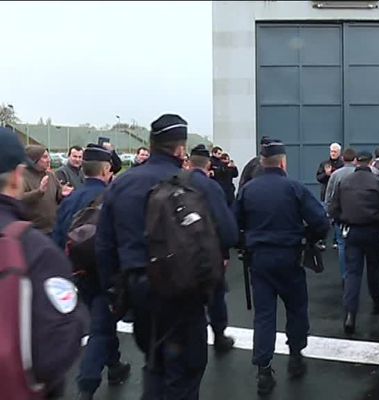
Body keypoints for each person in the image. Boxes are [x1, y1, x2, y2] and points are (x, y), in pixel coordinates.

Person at [96, 114, 238, 399]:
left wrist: (115, 292)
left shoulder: (122, 184)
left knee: (154, 364)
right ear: (180, 149)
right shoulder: (198, 185)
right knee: (184, 374)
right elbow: (230, 234)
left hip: (140, 290)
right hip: (184, 292)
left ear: (151, 144)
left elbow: (104, 245)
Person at [235, 138, 330, 395]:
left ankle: (264, 370)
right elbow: (321, 221)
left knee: (264, 315)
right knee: (296, 308)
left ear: (262, 162)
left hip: (260, 261)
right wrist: (308, 238)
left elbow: (235, 227)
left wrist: (247, 242)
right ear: (283, 162)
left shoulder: (248, 190)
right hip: (290, 258)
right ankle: (296, 355)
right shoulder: (294, 188)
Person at [0, 127, 87, 398]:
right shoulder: (32, 252)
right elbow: (57, 345)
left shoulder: (52, 178)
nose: (48, 161)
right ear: (16, 176)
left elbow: (59, 198)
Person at [53, 144, 130, 400]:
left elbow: (57, 239)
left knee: (101, 321)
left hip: (78, 274)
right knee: (101, 327)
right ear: (107, 169)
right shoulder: (113, 198)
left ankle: (115, 364)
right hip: (106, 274)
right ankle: (87, 384)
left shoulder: (70, 200)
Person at [329, 150, 379, 334]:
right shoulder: (378, 183)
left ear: (356, 163)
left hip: (352, 231)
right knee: (373, 268)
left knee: (353, 273)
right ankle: (377, 301)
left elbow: (333, 207)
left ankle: (350, 315)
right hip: (373, 231)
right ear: (370, 164)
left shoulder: (344, 182)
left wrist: (342, 221)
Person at [188, 144, 238, 351]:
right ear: (208, 164)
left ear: (189, 162)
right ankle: (219, 335)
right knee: (216, 295)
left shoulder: (175, 183)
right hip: (209, 251)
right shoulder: (211, 187)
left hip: (180, 251)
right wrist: (226, 250)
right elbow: (224, 224)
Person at [22, 145, 73, 235]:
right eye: (45, 157)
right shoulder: (22, 177)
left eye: (48, 156)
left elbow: (57, 195)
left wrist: (62, 193)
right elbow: (18, 199)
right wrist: (39, 192)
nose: (49, 160)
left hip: (53, 229)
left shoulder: (50, 175)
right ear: (34, 159)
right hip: (34, 232)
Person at [324, 148, 357, 283]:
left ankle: (345, 275)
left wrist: (329, 213)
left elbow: (329, 196)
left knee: (342, 245)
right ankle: (356, 273)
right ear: (355, 160)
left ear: (343, 159)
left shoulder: (336, 175)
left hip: (341, 214)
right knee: (357, 246)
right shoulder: (359, 173)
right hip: (357, 214)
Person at [316, 142, 344, 250]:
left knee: (338, 218)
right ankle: (322, 240)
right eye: (331, 151)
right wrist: (325, 174)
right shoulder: (324, 164)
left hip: (339, 194)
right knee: (324, 218)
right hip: (326, 194)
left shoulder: (342, 165)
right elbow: (318, 177)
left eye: (335, 151)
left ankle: (337, 240)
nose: (333, 153)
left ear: (339, 152)